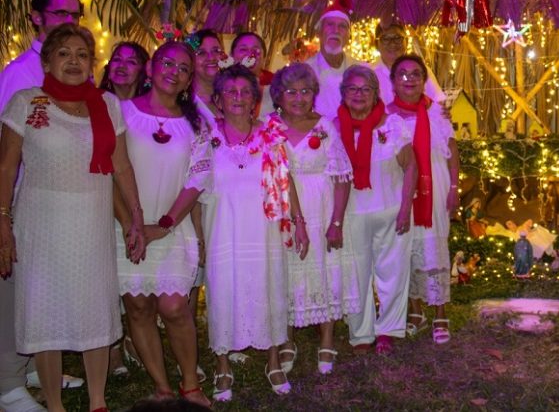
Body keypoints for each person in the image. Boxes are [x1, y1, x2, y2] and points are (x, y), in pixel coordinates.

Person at [0, 24, 147, 412]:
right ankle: (55, 404)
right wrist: (1, 221)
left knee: (94, 305)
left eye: (82, 54)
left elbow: (123, 167)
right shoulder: (27, 102)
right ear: (47, 60)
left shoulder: (107, 105)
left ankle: (97, 401)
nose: (73, 61)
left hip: (91, 223)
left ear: (91, 63)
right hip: (40, 225)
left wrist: (135, 215)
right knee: (43, 309)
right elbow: (6, 168)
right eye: (64, 53)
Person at [156, 65, 309, 401]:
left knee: (270, 287)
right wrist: (198, 236)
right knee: (223, 292)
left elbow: (286, 183)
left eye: (245, 92)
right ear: (219, 101)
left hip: (265, 232)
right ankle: (222, 364)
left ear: (255, 100)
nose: (238, 98)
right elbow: (196, 191)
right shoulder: (206, 141)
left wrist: (299, 221)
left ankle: (273, 361)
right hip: (222, 231)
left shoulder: (271, 135)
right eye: (231, 92)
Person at [0, 0, 87, 411]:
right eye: (59, 13)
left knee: (38, 289)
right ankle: (7, 384)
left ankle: (36, 364)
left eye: (75, 13)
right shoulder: (21, 74)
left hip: (54, 203)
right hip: (20, 200)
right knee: (12, 290)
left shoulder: (68, 67)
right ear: (37, 18)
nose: (68, 20)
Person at [113, 41, 209, 407]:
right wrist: (131, 225)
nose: (174, 71)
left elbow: (197, 178)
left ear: (189, 80)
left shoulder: (195, 122)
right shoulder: (120, 112)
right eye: (168, 63)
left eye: (184, 68)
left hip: (172, 226)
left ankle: (189, 383)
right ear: (151, 67)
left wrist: (164, 224)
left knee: (173, 307)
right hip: (127, 227)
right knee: (138, 308)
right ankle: (162, 387)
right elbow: (111, 172)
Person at [268, 64, 354, 375]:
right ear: (278, 95)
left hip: (321, 203)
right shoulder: (269, 127)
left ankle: (327, 337)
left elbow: (343, 177)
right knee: (284, 270)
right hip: (282, 207)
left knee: (323, 267)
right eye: (291, 92)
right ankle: (286, 337)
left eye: (306, 91)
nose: (299, 98)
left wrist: (336, 222)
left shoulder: (325, 127)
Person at [336, 65, 416, 355]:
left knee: (393, 272)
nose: (359, 95)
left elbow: (411, 167)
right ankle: (360, 335)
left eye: (365, 89)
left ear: (375, 94)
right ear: (343, 93)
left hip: (392, 210)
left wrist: (406, 207)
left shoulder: (392, 125)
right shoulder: (332, 129)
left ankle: (388, 330)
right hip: (351, 215)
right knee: (355, 275)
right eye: (353, 89)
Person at [388, 55, 458, 344]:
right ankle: (415, 311)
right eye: (402, 74)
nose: (410, 79)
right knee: (408, 248)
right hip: (399, 191)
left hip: (435, 186)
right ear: (392, 81)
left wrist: (454, 186)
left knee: (433, 245)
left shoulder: (436, 113)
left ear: (424, 80)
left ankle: (440, 312)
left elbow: (452, 150)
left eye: (416, 73)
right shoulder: (384, 115)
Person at [306, 0, 357, 119]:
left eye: (342, 26)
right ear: (319, 32)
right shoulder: (304, 71)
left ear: (348, 36)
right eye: (330, 25)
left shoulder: (360, 69)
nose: (336, 31)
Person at [371, 22, 444, 106]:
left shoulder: (421, 71)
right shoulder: (368, 74)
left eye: (398, 38)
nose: (392, 43)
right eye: (386, 39)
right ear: (376, 44)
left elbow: (439, 105)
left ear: (406, 41)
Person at [230, 32, 274, 117]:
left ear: (264, 57)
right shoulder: (222, 85)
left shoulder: (276, 85)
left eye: (256, 50)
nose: (250, 55)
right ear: (232, 55)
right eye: (243, 50)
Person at [188, 29, 225, 125]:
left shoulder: (232, 96)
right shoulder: (184, 102)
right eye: (201, 53)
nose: (211, 57)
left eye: (216, 51)